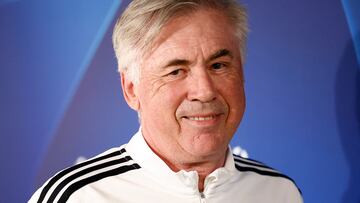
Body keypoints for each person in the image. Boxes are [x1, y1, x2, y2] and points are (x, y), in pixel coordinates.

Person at [29, 0, 303, 202]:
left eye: (218, 65)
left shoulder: (279, 192)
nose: (204, 91)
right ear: (131, 90)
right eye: (176, 71)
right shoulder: (76, 197)